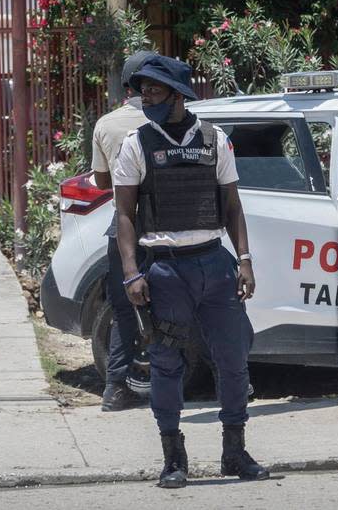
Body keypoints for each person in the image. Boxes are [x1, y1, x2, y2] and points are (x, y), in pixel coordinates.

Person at [113, 55, 269, 488]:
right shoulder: (136, 143)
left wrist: (244, 260)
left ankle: (234, 453)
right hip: (164, 270)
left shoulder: (215, 139)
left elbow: (233, 205)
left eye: (155, 90)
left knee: (234, 359)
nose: (145, 96)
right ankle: (173, 458)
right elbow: (124, 215)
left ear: (179, 95)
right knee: (166, 364)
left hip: (215, 265)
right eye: (142, 89)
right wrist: (131, 273)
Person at [92, 49, 156, 412]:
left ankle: (115, 388)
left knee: (122, 308)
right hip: (166, 228)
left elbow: (102, 180)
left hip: (123, 226)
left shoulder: (106, 123)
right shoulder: (169, 118)